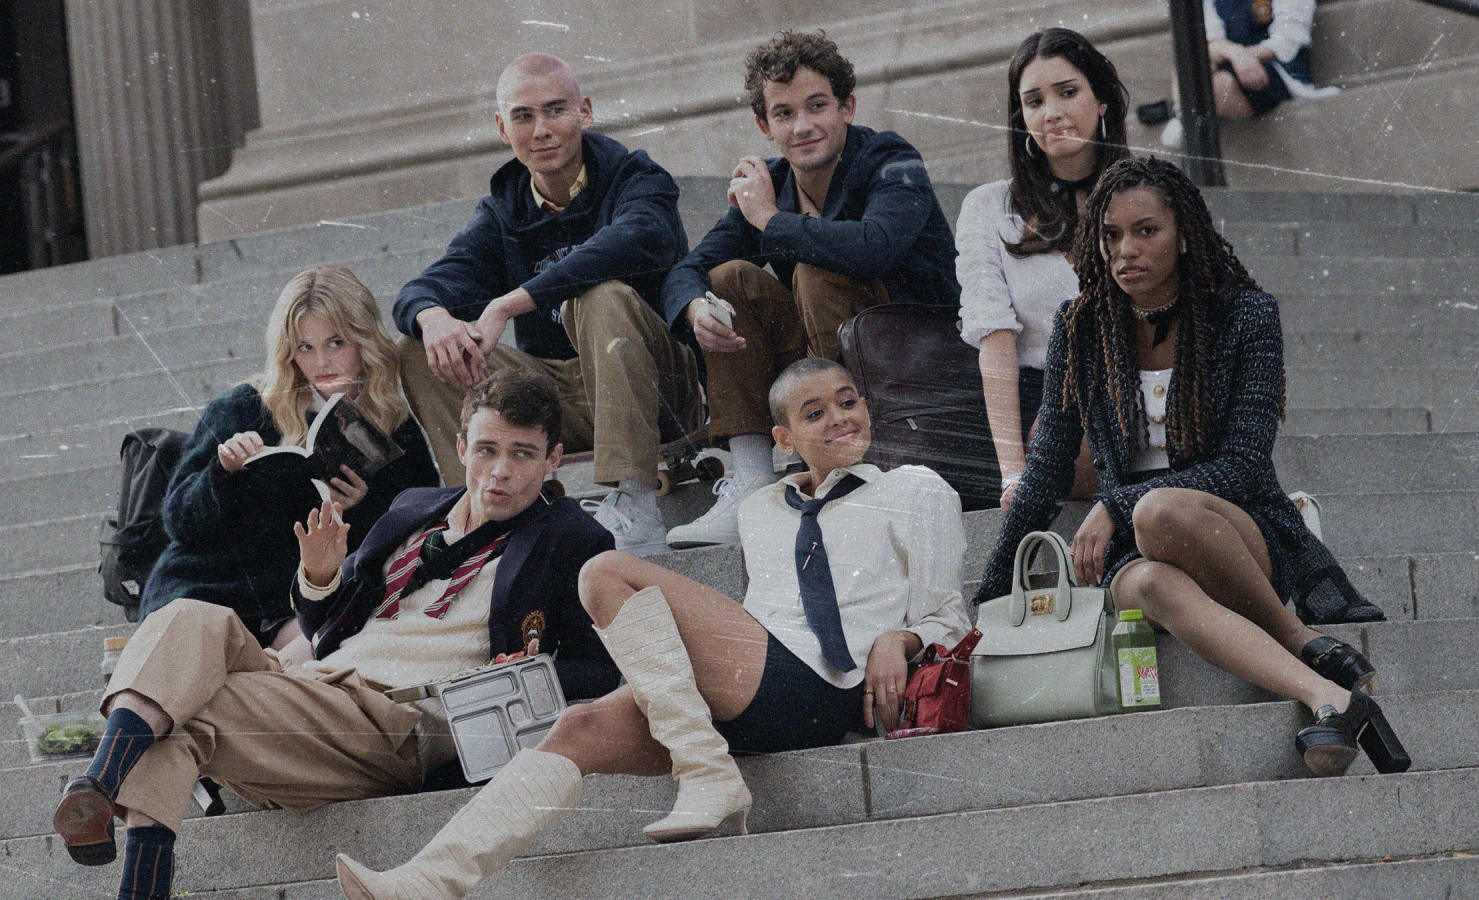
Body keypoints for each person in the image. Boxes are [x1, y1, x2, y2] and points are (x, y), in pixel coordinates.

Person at [334, 358, 971, 899]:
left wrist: (900, 638)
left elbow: (950, 611)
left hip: (829, 688)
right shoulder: (759, 511)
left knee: (605, 571)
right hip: (755, 684)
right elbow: (763, 615)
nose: (838, 418)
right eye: (815, 412)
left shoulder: (915, 489)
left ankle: (707, 772)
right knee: (577, 727)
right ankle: (427, 882)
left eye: (848, 402)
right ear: (783, 439)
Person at [51, 369, 620, 900]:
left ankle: (107, 798)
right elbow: (327, 624)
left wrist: (524, 670)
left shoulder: (572, 539)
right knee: (188, 617)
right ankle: (102, 794)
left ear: (553, 459)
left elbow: (601, 668)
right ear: (461, 448)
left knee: (183, 701)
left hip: (393, 722)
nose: (500, 471)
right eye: (488, 449)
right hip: (312, 686)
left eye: (522, 453)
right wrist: (319, 578)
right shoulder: (416, 507)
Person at [973, 157, 1405, 781]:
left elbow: (1244, 465)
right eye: (1111, 235)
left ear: (1183, 234)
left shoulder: (1244, 315)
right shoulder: (1080, 326)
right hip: (1134, 550)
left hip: (1234, 529)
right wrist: (986, 596)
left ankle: (1294, 634)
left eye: (1146, 231)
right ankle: (1326, 691)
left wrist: (1118, 503)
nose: (1125, 250)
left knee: (1160, 510)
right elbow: (1045, 470)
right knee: (1150, 584)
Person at [659, 30, 960, 549]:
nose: (802, 126)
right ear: (765, 126)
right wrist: (694, 308)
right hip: (829, 365)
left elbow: (875, 247)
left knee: (817, 271)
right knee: (728, 281)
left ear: (847, 106)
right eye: (784, 113)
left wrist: (768, 219)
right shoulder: (773, 186)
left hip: (918, 368)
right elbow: (690, 268)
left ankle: (856, 462)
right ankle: (753, 479)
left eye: (817, 106)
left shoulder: (890, 158)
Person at [394, 52, 700, 557]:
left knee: (601, 296)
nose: (541, 130)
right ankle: (479, 512)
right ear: (501, 127)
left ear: (585, 112)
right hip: (556, 398)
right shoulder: (503, 211)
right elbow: (425, 287)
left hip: (655, 389)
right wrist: (433, 316)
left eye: (555, 110)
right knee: (418, 347)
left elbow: (634, 239)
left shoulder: (636, 178)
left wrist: (509, 304)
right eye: (523, 116)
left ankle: (637, 506)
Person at [141, 265, 439, 647]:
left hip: (306, 604)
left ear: (362, 340)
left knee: (320, 641)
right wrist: (223, 473)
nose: (321, 362)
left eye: (336, 343)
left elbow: (422, 524)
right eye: (304, 347)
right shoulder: (245, 407)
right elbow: (178, 521)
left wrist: (360, 507)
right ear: (288, 351)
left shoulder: (391, 422)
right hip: (212, 590)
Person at [956, 28, 1126, 509]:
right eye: (1034, 101)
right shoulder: (989, 207)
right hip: (1046, 402)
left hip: (1139, 389)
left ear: (1101, 101)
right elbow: (995, 340)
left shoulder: (1146, 195)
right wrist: (1013, 474)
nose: (1051, 112)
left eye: (1068, 92)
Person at [1155, 0, 1337, 147]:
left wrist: (1243, 57)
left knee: (1217, 86)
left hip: (1279, 72)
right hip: (1231, 62)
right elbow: (1210, 40)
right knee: (1188, 67)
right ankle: (1186, 114)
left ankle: (1184, 114)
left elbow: (1287, 41)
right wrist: (1235, 54)